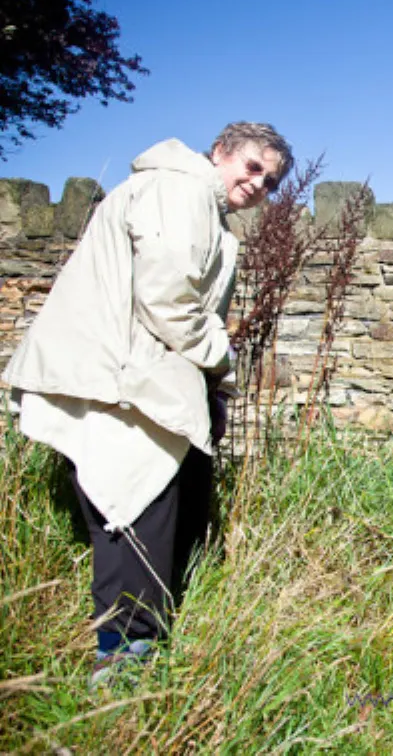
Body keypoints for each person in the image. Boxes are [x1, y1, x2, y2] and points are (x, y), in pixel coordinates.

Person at [3, 122, 294, 682]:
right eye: (253, 167)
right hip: (121, 378)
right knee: (132, 509)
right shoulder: (178, 189)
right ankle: (121, 663)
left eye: (272, 181)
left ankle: (142, 644)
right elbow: (166, 300)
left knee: (158, 504)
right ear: (221, 153)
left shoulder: (200, 206)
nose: (259, 184)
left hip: (138, 375)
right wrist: (222, 358)